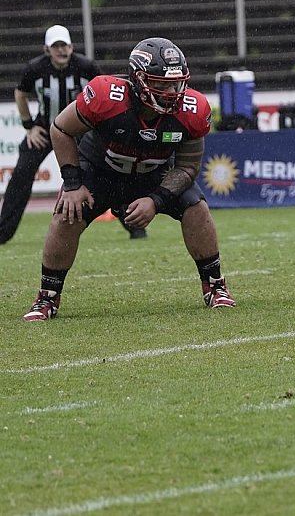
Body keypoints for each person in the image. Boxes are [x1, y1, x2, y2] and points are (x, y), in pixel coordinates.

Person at [23, 38, 234, 321]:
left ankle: (215, 286)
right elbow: (60, 128)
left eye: (176, 84)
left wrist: (156, 201)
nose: (172, 92)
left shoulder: (192, 109)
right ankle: (47, 297)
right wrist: (73, 184)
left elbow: (187, 168)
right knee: (67, 213)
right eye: (161, 84)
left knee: (196, 208)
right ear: (138, 80)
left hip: (153, 174)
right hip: (100, 171)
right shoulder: (105, 95)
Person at [3, 26, 138, 244]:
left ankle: (134, 226)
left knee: (108, 170)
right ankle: (3, 232)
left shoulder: (86, 66)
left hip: (82, 129)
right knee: (21, 174)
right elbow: (20, 92)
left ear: (71, 47)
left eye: (64, 45)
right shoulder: (35, 68)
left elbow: (106, 93)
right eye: (56, 46)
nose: (61, 50)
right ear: (47, 49)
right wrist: (29, 126)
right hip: (45, 129)